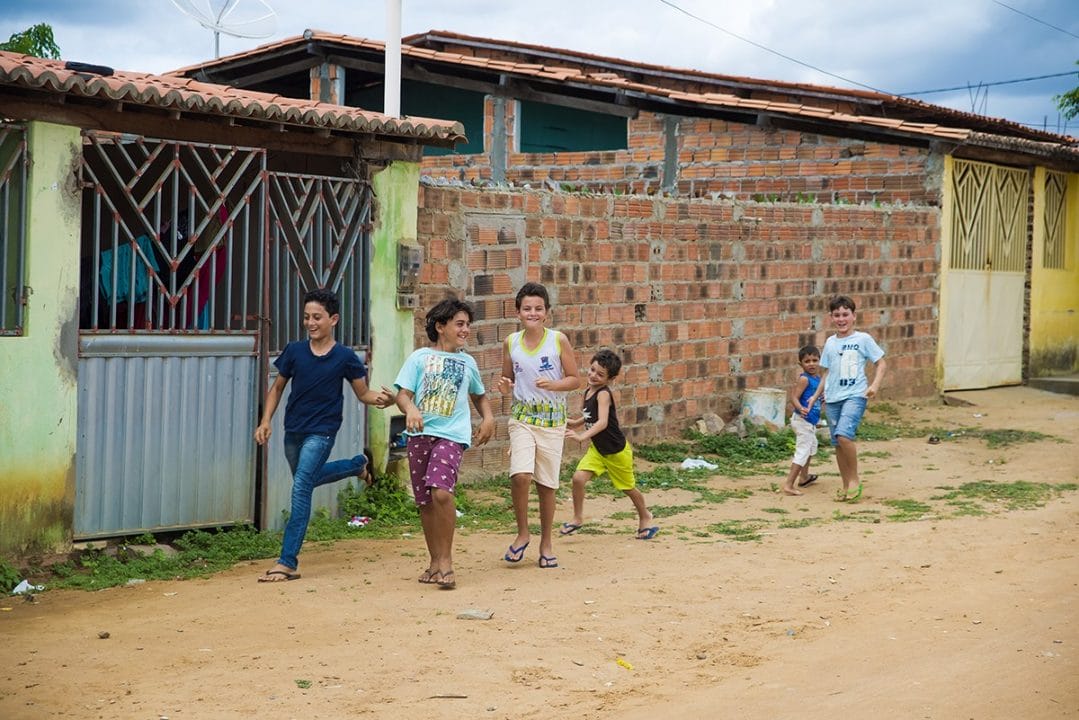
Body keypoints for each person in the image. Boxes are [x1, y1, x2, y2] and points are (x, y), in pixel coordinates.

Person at [255, 288, 395, 582]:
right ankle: (357, 465)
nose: (310, 323)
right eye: (307, 317)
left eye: (317, 317)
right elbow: (277, 388)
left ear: (333, 319)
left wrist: (386, 400)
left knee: (301, 488)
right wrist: (265, 421)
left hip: (323, 431)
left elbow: (363, 393)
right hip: (293, 430)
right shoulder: (294, 351)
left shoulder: (345, 357)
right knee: (308, 478)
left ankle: (286, 561)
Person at [393, 298, 495, 590]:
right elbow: (402, 395)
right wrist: (411, 409)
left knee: (441, 492)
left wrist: (488, 418)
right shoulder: (419, 358)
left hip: (452, 435)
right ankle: (435, 561)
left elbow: (479, 396)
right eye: (459, 324)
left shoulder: (467, 362)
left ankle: (447, 560)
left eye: (468, 325)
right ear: (440, 326)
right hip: (420, 435)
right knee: (425, 501)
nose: (465, 330)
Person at [497, 282, 580, 569]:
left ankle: (546, 543)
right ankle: (523, 533)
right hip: (522, 419)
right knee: (520, 475)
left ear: (547, 313)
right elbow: (507, 380)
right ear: (518, 312)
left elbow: (575, 379)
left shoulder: (558, 340)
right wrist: (504, 387)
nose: (532, 313)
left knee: (546, 485)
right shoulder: (510, 342)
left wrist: (554, 385)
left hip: (552, 422)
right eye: (527, 308)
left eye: (538, 308)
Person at [561, 349, 658, 539]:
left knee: (628, 488)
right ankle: (577, 518)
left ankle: (645, 515)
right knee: (578, 478)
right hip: (598, 450)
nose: (593, 376)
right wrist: (574, 422)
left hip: (616, 452)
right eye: (592, 370)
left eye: (600, 374)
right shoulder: (588, 390)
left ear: (610, 379)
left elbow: (602, 422)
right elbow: (590, 415)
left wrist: (581, 436)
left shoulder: (603, 394)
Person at [806, 295, 887, 502]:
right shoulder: (830, 343)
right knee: (838, 443)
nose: (841, 319)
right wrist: (815, 396)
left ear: (853, 316)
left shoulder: (863, 339)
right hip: (832, 398)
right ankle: (845, 485)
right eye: (837, 315)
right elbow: (827, 373)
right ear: (831, 317)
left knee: (844, 435)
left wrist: (874, 385)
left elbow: (881, 363)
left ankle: (854, 479)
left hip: (856, 395)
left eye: (845, 314)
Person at [782, 345, 823, 496]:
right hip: (802, 420)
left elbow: (816, 396)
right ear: (801, 364)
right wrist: (801, 408)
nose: (811, 364)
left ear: (820, 361)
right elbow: (794, 397)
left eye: (815, 360)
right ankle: (789, 485)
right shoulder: (804, 379)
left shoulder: (818, 379)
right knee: (803, 450)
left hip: (810, 421)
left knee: (812, 446)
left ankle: (804, 477)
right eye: (807, 361)